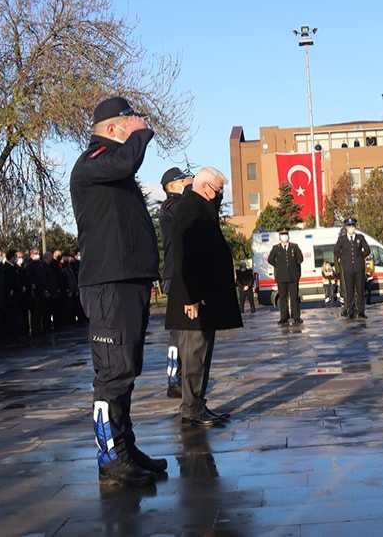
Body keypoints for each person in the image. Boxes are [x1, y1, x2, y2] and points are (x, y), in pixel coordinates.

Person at [71, 96, 165, 485]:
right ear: (112, 128)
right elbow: (128, 160)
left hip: (127, 280)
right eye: (129, 122)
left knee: (126, 370)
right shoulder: (94, 160)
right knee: (112, 374)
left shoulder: (112, 166)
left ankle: (125, 448)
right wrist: (142, 133)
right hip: (109, 283)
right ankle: (110, 458)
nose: (137, 127)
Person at [165, 167, 242, 428]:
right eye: (218, 190)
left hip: (202, 297)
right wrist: (190, 297)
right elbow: (184, 257)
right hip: (193, 300)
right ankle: (191, 408)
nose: (220, 195)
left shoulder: (199, 208)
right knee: (194, 354)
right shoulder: (190, 209)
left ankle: (197, 403)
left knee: (201, 353)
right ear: (206, 187)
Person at [159, 166, 193, 399]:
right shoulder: (172, 206)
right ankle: (175, 379)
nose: (186, 182)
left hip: (180, 272)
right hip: (176, 274)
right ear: (172, 186)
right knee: (179, 332)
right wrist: (191, 188)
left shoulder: (176, 205)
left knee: (183, 331)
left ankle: (179, 378)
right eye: (181, 181)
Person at [334, 218, 370, 319]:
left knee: (360, 291)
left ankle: (361, 311)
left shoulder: (360, 237)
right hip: (348, 269)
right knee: (349, 291)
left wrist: (360, 256)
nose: (351, 228)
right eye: (349, 226)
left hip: (359, 268)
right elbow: (336, 250)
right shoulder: (342, 239)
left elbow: (367, 249)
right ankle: (350, 311)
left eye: (353, 226)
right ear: (346, 228)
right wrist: (344, 258)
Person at [268, 229, 303, 325]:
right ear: (280, 237)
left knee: (294, 298)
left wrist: (296, 267)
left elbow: (300, 258)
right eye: (282, 235)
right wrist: (278, 266)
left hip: (293, 277)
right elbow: (270, 259)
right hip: (281, 277)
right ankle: (284, 317)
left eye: (286, 235)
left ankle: (296, 317)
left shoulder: (294, 247)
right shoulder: (276, 248)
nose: (284, 237)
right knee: (283, 298)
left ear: (288, 236)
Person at [25, 249, 51, 337]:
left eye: (38, 253)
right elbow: (29, 277)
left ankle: (40, 328)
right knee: (35, 312)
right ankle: (35, 330)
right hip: (35, 292)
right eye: (36, 253)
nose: (38, 255)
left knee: (40, 311)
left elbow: (44, 277)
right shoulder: (29, 265)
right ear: (31, 254)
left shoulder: (40, 264)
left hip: (41, 291)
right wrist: (33, 286)